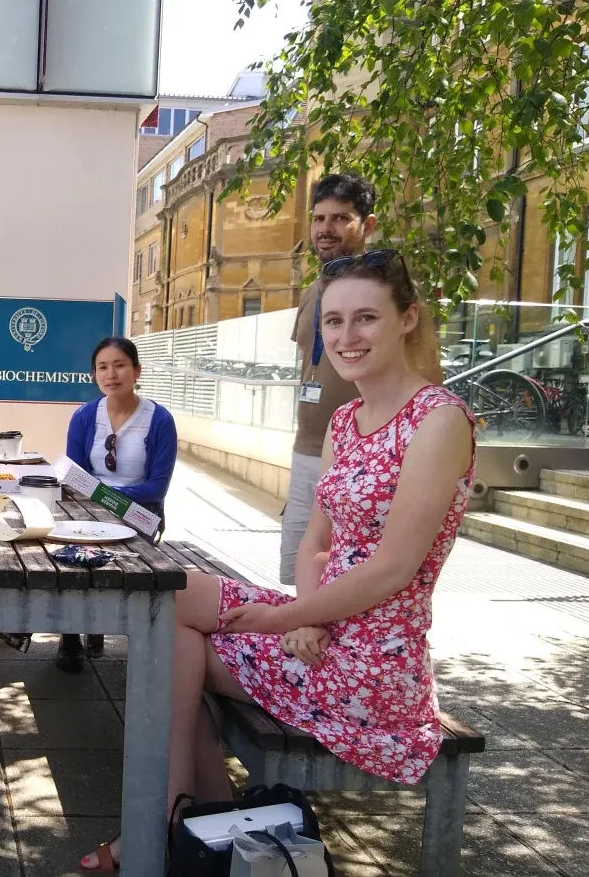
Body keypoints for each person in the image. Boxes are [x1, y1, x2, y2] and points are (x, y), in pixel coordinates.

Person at [80, 250, 471, 871]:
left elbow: (394, 568)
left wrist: (287, 619)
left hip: (375, 659)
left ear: (408, 319)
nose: (346, 336)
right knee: (165, 598)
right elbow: (316, 544)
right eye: (334, 321)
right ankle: (196, 817)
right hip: (321, 624)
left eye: (365, 318)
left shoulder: (439, 420)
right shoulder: (346, 420)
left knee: (179, 646)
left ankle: (172, 822)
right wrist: (305, 618)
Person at [57, 336, 177, 673]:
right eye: (103, 367)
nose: (112, 374)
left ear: (137, 370)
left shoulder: (160, 420)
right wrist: (96, 499)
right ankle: (70, 636)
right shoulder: (84, 417)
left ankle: (101, 624)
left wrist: (108, 498)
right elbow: (73, 474)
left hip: (140, 512)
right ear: (94, 374)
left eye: (120, 365)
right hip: (89, 508)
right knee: (70, 557)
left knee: (117, 563)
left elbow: (157, 487)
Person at [281, 173, 377, 585]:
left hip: (361, 458)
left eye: (340, 218)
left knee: (345, 581)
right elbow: (310, 365)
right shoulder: (310, 292)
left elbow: (423, 379)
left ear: (367, 225)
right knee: (297, 574)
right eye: (319, 219)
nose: (325, 229)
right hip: (307, 451)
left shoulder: (385, 292)